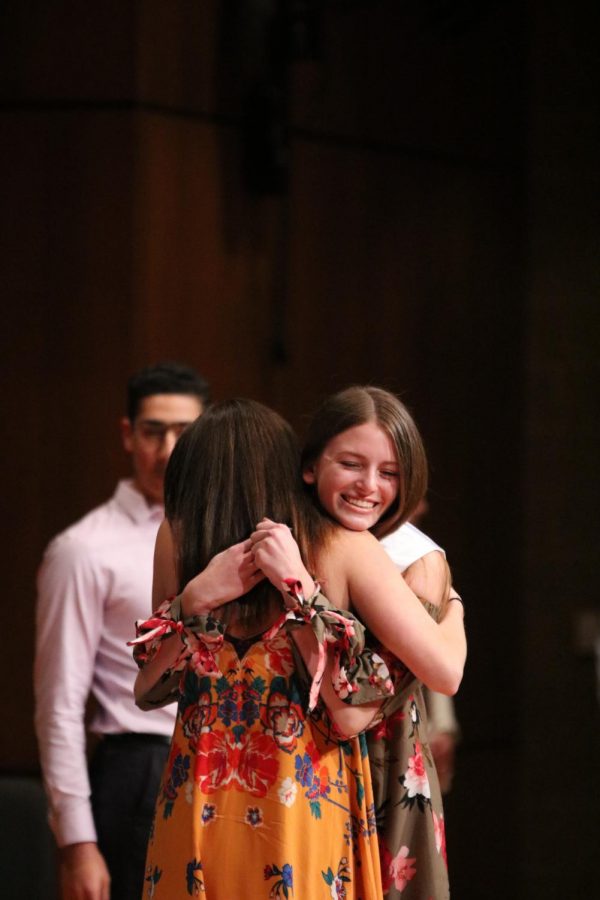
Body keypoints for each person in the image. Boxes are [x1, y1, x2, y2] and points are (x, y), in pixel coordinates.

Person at [130, 399, 390, 899]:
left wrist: (300, 590)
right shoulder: (178, 540)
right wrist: (193, 599)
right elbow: (149, 688)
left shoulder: (330, 544)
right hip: (206, 794)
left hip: (295, 798)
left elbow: (359, 702)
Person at [254, 385, 466, 898]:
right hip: (286, 775)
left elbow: (365, 707)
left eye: (389, 472)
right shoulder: (290, 540)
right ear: (310, 467)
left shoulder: (413, 557)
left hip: (378, 769)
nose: (369, 486)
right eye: (351, 464)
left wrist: (451, 603)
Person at [34, 361, 210, 900]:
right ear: (129, 434)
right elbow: (59, 704)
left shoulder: (227, 534)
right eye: (154, 430)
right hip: (137, 767)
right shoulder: (84, 548)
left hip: (220, 758)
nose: (168, 448)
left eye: (184, 432)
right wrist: (77, 843)